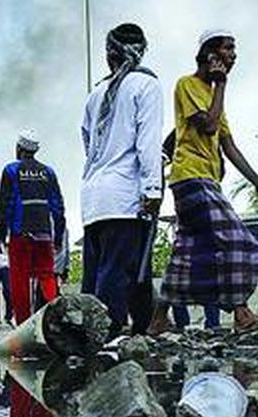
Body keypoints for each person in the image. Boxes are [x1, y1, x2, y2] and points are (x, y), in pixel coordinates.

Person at [148, 30, 258, 335]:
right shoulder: (187, 85)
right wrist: (220, 85)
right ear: (211, 55)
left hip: (205, 180)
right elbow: (208, 125)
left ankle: (158, 318)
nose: (234, 55)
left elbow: (228, 145)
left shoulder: (214, 93)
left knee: (187, 252)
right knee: (235, 240)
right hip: (191, 177)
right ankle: (241, 312)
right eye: (228, 48)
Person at [81, 23, 165, 336]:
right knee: (119, 273)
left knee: (101, 273)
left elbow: (88, 142)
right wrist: (152, 187)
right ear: (141, 51)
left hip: (93, 197)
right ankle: (109, 336)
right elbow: (148, 143)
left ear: (108, 55)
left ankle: (135, 330)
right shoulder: (146, 85)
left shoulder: (96, 93)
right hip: (124, 195)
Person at [0, 130, 67, 325]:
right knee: (47, 276)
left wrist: (3, 233)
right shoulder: (48, 172)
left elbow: (5, 204)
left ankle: (24, 325)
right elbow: (58, 207)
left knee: (19, 280)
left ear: (19, 148)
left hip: (21, 234)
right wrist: (58, 236)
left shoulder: (11, 170)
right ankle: (57, 320)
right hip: (44, 234)